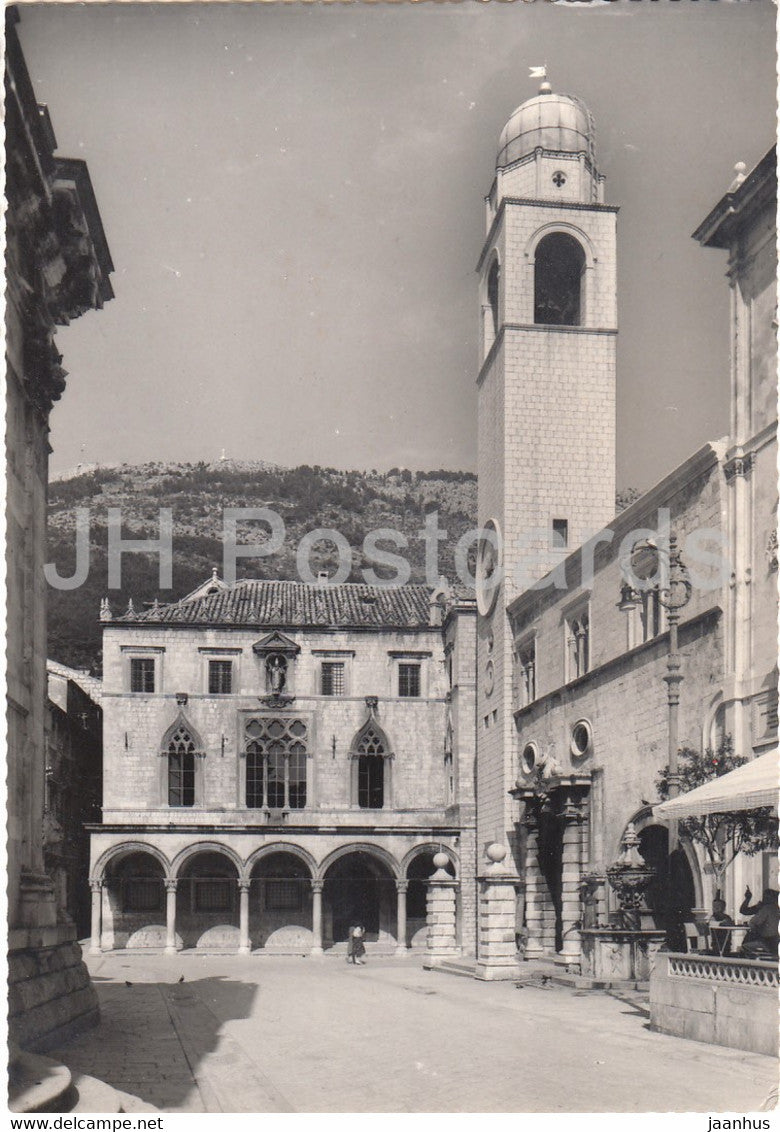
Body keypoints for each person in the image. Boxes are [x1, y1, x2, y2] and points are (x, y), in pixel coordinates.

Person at [738, 887, 779, 959]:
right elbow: (744, 911)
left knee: (746, 944)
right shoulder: (765, 907)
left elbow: (753, 922)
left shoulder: (767, 908)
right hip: (775, 939)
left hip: (769, 939)